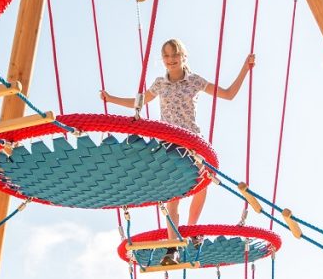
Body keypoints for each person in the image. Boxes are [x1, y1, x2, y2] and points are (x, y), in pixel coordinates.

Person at [102, 38, 255, 265]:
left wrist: (245, 68)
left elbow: (228, 94)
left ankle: (191, 230)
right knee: (173, 197)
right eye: (166, 56)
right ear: (162, 59)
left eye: (175, 55)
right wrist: (110, 98)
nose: (171, 60)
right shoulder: (159, 84)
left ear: (183, 57)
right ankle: (172, 248)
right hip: (170, 143)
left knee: (202, 185)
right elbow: (138, 103)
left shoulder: (194, 81)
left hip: (192, 141)